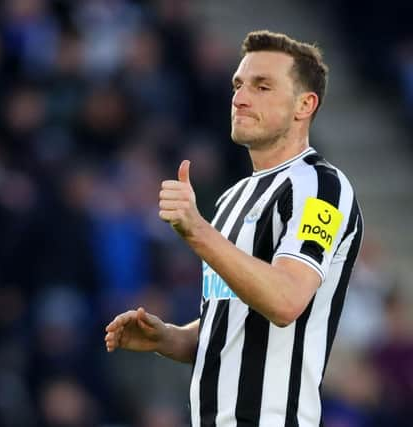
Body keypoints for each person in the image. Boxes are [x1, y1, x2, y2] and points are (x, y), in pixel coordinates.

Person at [104, 30, 364, 427]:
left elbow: (286, 300)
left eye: (262, 86)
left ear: (304, 105)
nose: (240, 98)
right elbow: (233, 321)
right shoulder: (230, 200)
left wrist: (196, 231)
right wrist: (169, 338)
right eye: (238, 85)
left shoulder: (319, 188)